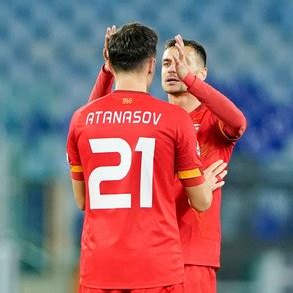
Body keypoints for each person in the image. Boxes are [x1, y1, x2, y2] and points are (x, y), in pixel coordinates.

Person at [88, 28, 247, 293]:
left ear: (202, 74)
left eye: (182, 62)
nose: (173, 69)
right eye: (166, 63)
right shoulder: (152, 119)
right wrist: (108, 71)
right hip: (147, 254)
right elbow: (95, 122)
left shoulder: (212, 123)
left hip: (193, 256)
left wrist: (192, 82)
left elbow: (238, 122)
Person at [66, 23, 213, 293]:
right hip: (155, 268)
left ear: (109, 63)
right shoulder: (173, 119)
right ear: (151, 65)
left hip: (99, 267)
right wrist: (206, 182)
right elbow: (201, 202)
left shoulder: (80, 120)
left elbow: (83, 200)